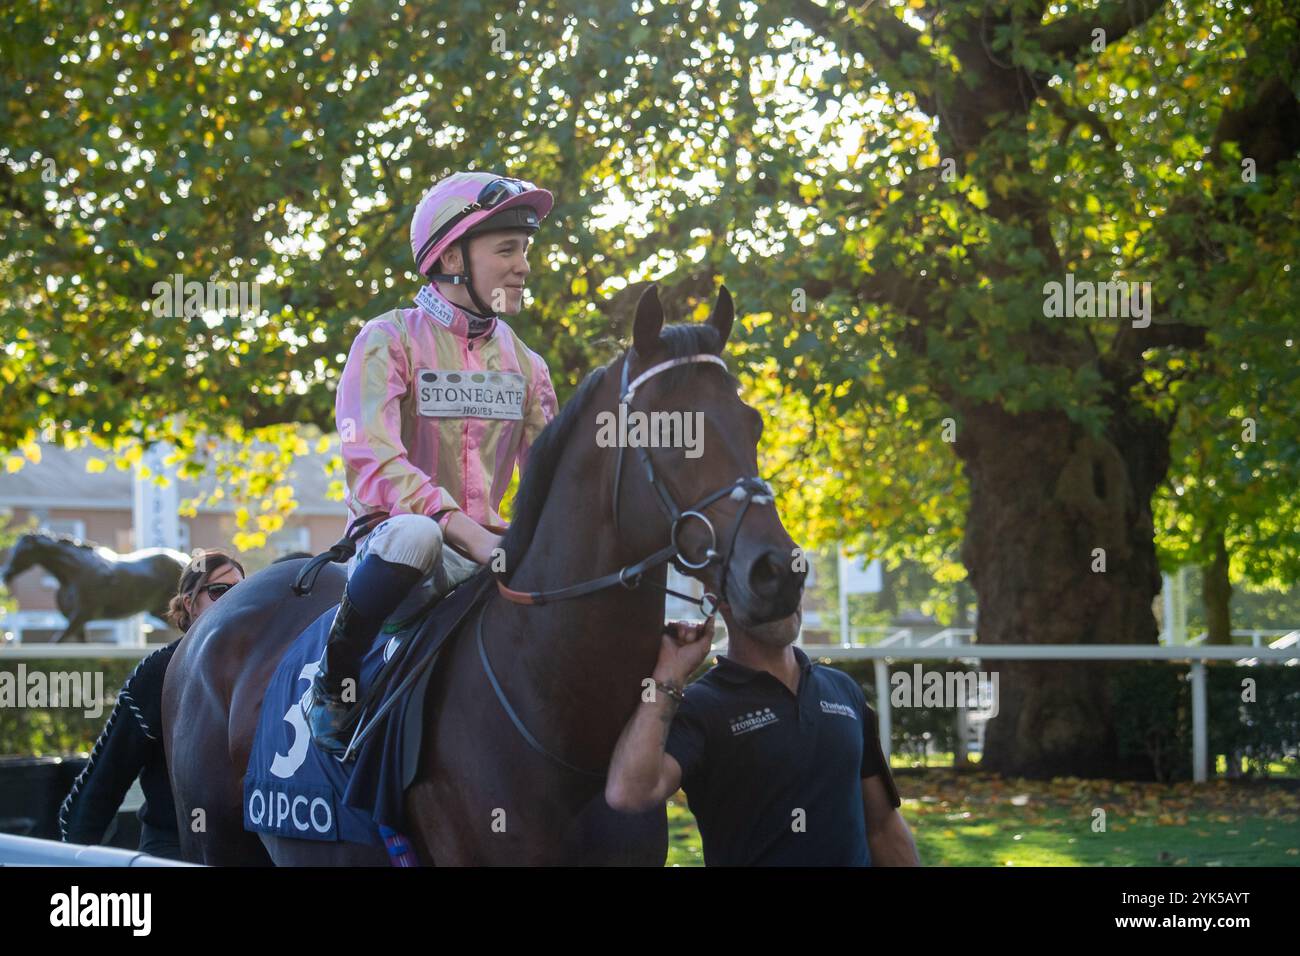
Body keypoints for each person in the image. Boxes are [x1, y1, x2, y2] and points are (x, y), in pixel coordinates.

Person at [302, 171, 559, 755]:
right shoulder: (385, 339)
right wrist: (460, 527)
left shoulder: (528, 364)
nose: (523, 266)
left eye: (525, 250)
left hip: (492, 552)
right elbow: (371, 458)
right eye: (506, 250)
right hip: (397, 550)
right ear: (450, 257)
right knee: (416, 534)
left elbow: (544, 477)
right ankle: (335, 682)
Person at [606, 604, 920, 866]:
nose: (785, 594)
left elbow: (882, 826)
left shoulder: (843, 689)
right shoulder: (701, 707)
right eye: (768, 580)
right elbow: (629, 792)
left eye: (793, 580)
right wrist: (668, 675)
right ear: (725, 600)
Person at [59, 549, 245, 859]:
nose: (232, 600)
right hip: (173, 847)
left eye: (241, 591)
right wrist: (73, 856)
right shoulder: (159, 672)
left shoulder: (260, 670)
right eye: (219, 591)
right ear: (190, 603)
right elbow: (106, 776)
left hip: (245, 849)